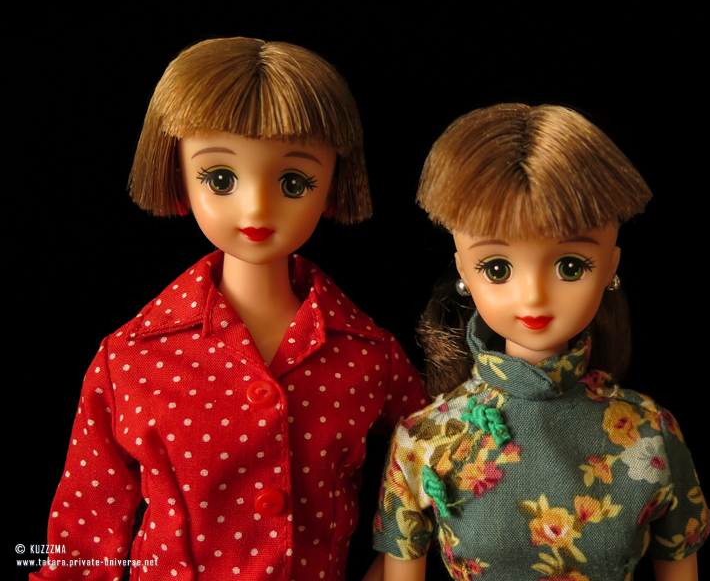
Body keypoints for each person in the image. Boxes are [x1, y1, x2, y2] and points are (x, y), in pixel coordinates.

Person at [32, 37, 427, 581]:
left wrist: (398, 562)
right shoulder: (130, 360)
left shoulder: (368, 355)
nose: (256, 207)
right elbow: (84, 534)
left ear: (335, 184)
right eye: (220, 179)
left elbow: (439, 454)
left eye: (293, 182)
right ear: (177, 176)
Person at [373, 104, 710, 580]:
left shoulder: (648, 433)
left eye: (570, 266)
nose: (533, 296)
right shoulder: (426, 440)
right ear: (464, 269)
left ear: (610, 267)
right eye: (498, 268)